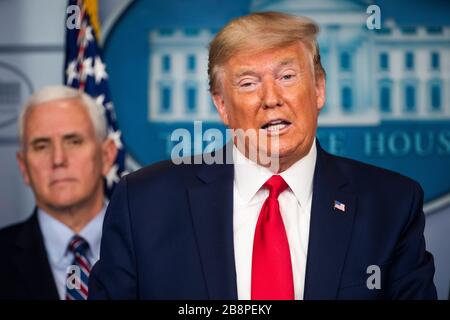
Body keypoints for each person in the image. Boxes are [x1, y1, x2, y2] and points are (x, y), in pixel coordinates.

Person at [89, 12, 436, 299]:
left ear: (318, 89)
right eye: (248, 83)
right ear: (222, 105)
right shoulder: (144, 202)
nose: (271, 98)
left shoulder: (392, 204)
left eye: (287, 76)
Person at [0, 86, 117, 300]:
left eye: (74, 141)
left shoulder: (155, 251)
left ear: (107, 156)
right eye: (41, 146)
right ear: (24, 166)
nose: (58, 159)